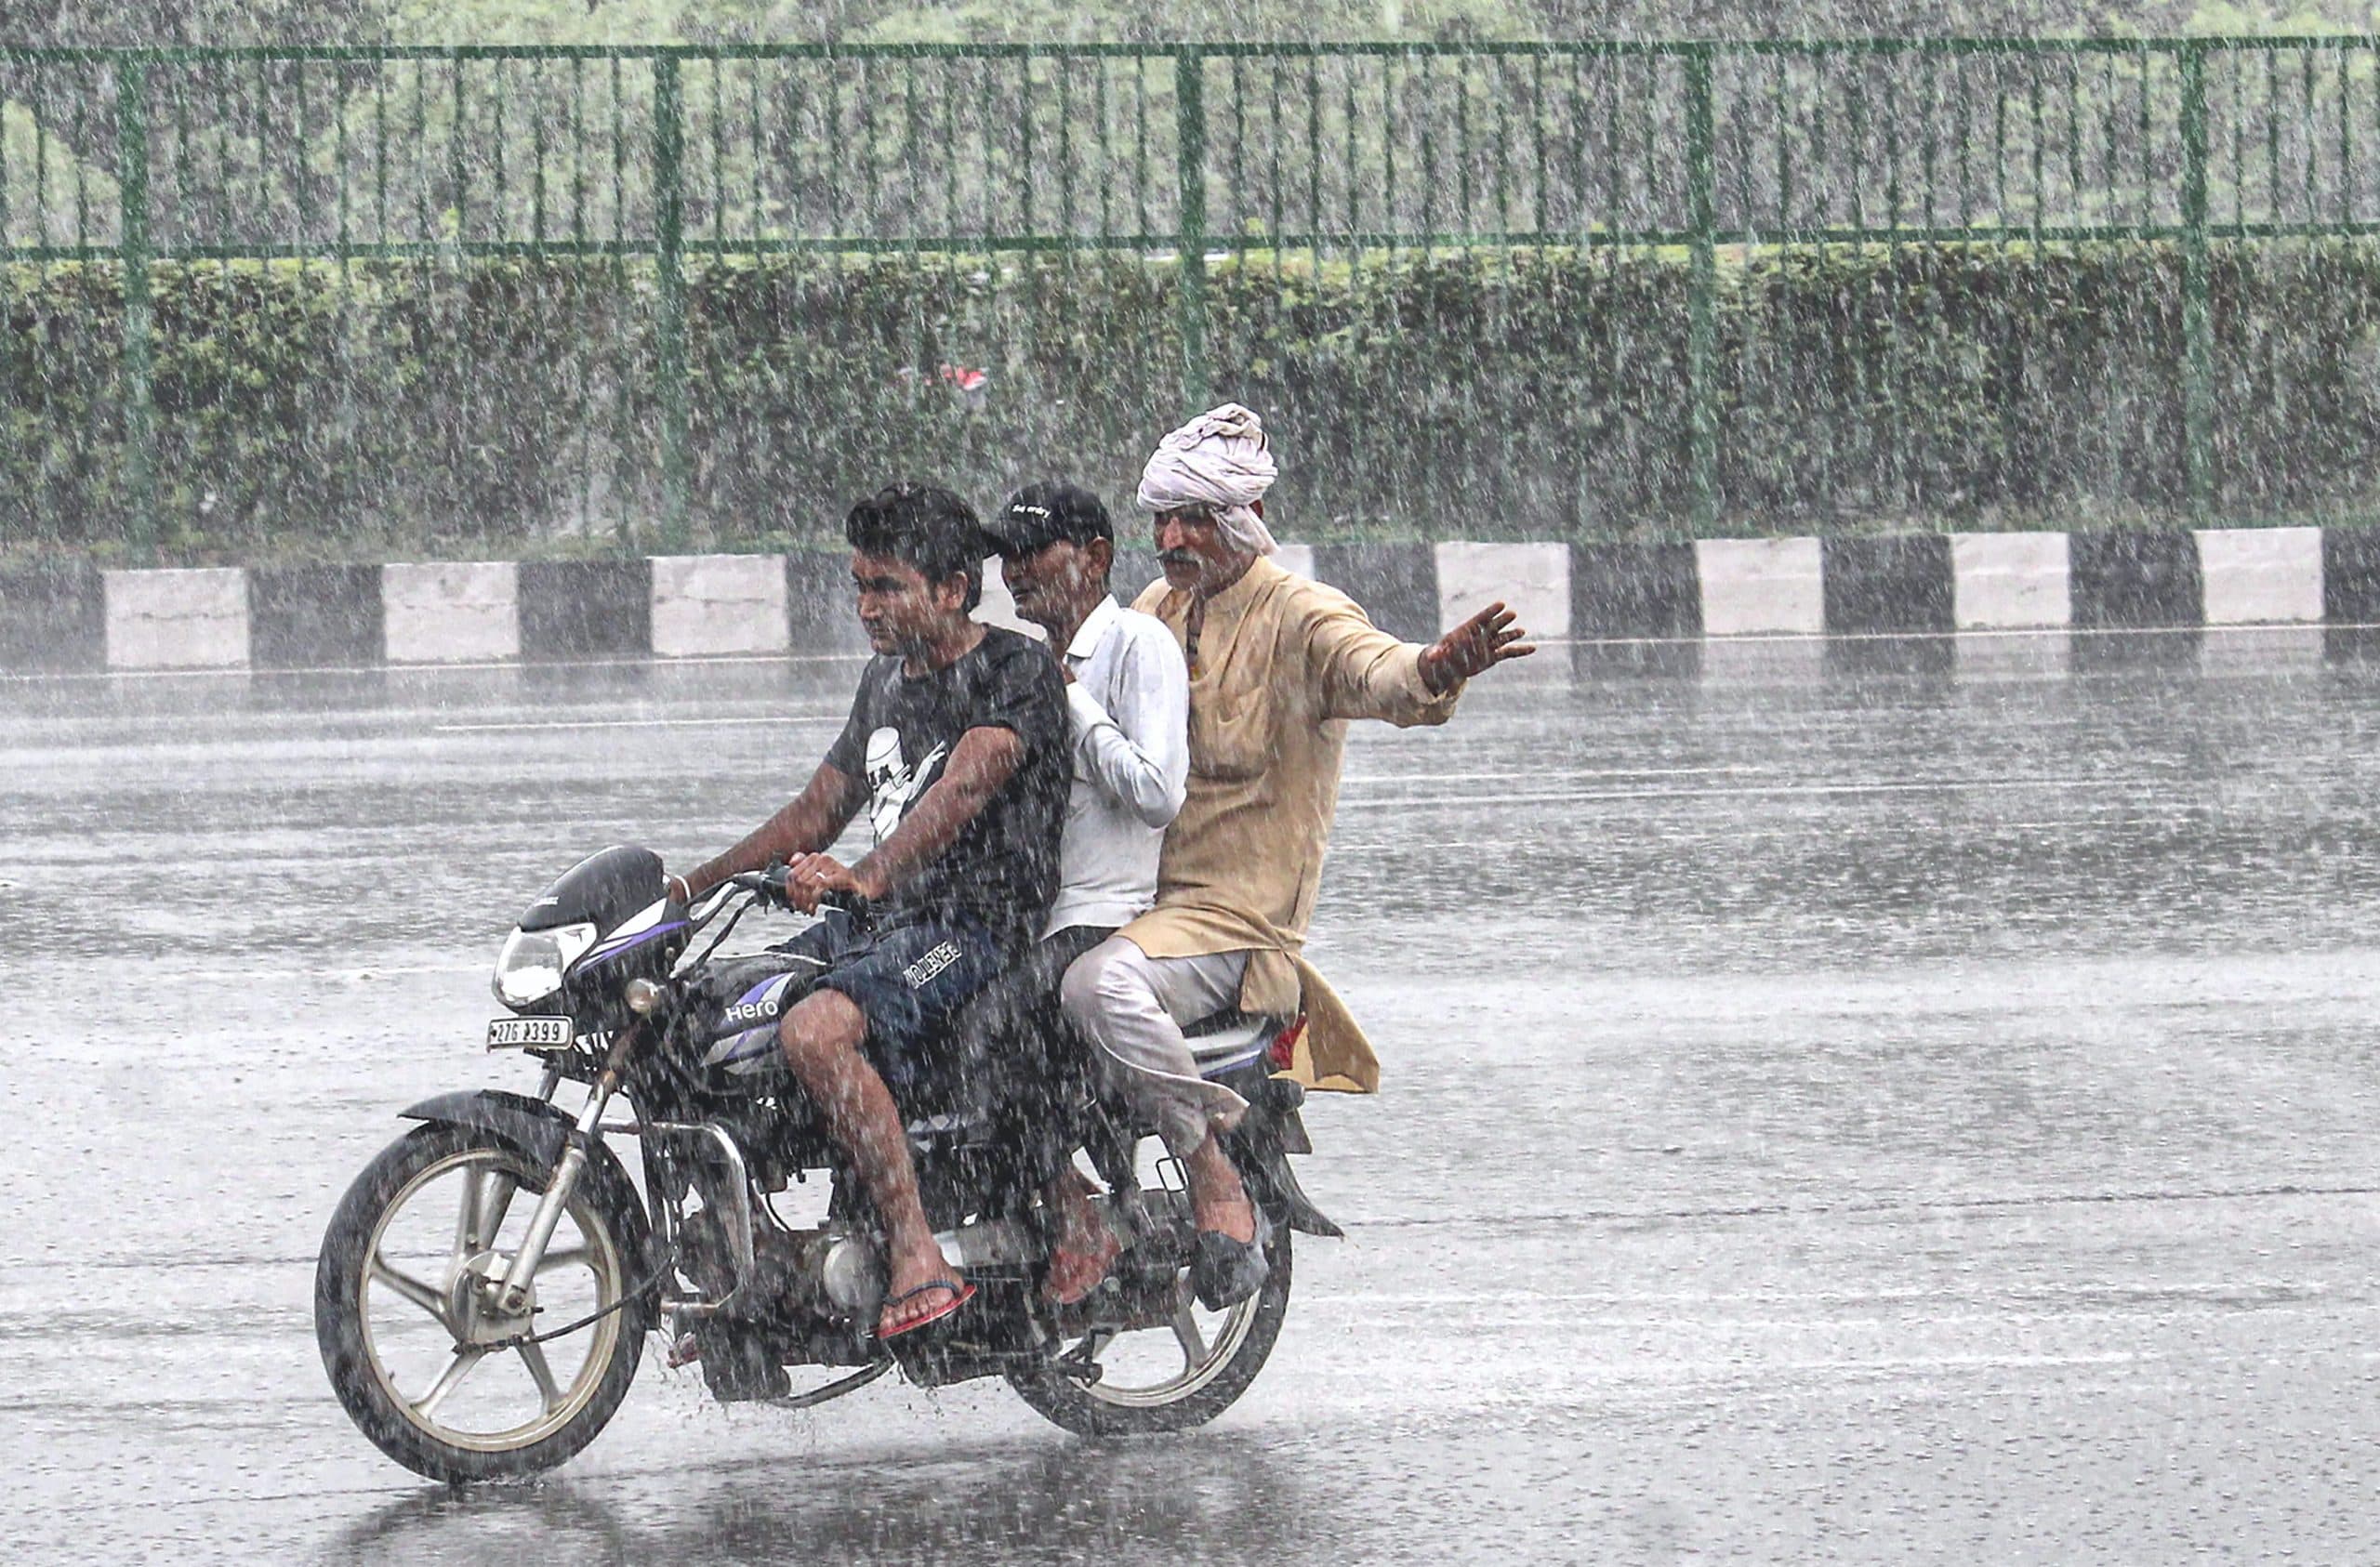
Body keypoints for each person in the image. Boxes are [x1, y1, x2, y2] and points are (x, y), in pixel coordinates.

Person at [1059, 403, 1534, 1310]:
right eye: (1161, 518)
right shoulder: (1154, 611)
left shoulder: (1300, 616)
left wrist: (1438, 666)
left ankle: (1212, 1176)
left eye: (1192, 517)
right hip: (1128, 900)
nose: (1170, 536)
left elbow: (1379, 673)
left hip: (1229, 926)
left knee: (1095, 990)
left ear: (1241, 521)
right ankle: (1054, 1204)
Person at [669, 482, 1069, 1341]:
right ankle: (740, 1272)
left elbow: (970, 780)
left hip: (969, 932)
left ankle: (916, 1249)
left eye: (885, 587)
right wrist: (683, 894)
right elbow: (815, 815)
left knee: (814, 1031)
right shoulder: (883, 681)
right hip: (877, 925)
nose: (865, 607)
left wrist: (871, 873)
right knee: (696, 1017)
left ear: (955, 589)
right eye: (858, 586)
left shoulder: (1015, 669)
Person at [972, 481, 1189, 1306]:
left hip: (1104, 913)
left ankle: (1074, 1212)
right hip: (1029, 918)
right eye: (1011, 559)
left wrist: (1069, 702)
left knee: (987, 1030)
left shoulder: (1138, 645)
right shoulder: (1019, 662)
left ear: (1095, 557)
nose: (1019, 574)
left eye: (1037, 555)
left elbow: (1156, 792)